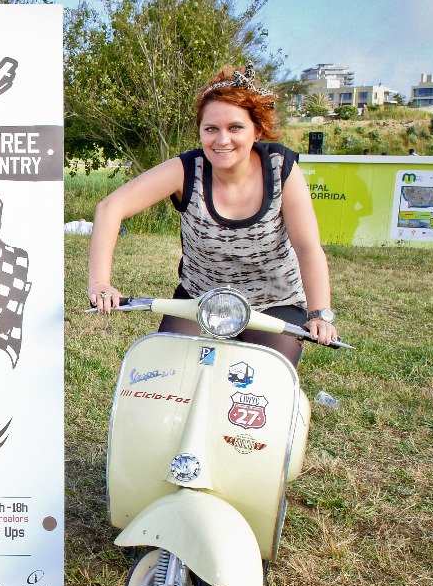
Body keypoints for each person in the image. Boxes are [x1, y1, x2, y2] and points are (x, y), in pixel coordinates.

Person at [87, 64, 339, 365]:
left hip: (274, 302)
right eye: (211, 129)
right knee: (170, 376)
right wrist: (100, 283)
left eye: (235, 128)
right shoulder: (187, 170)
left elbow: (308, 247)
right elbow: (109, 208)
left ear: (257, 130)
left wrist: (319, 313)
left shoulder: (280, 167)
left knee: (267, 379)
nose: (222, 140)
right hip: (200, 298)